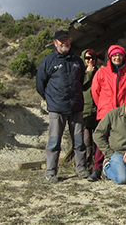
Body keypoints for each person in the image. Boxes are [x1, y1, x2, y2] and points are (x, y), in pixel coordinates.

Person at [36, 30, 89, 183]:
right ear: (55, 43)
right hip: (56, 109)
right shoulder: (48, 61)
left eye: (67, 40)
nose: (64, 43)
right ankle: (51, 172)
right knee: (54, 142)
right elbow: (40, 85)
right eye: (61, 41)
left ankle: (81, 169)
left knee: (79, 141)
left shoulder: (77, 61)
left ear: (70, 42)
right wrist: (51, 100)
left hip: (76, 108)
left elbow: (81, 81)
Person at [88, 44, 126, 181]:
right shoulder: (102, 72)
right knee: (101, 140)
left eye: (119, 55)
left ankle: (119, 167)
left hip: (122, 112)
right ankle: (96, 169)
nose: (117, 57)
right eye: (114, 55)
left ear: (124, 57)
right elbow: (95, 92)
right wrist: (102, 106)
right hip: (105, 112)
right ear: (110, 57)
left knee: (120, 140)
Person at [81, 49, 100, 170]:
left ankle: (97, 164)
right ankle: (86, 164)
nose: (90, 61)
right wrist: (88, 73)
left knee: (98, 139)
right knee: (86, 140)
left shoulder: (99, 71)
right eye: (88, 58)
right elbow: (81, 85)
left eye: (92, 58)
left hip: (97, 109)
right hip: (85, 110)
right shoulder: (81, 72)